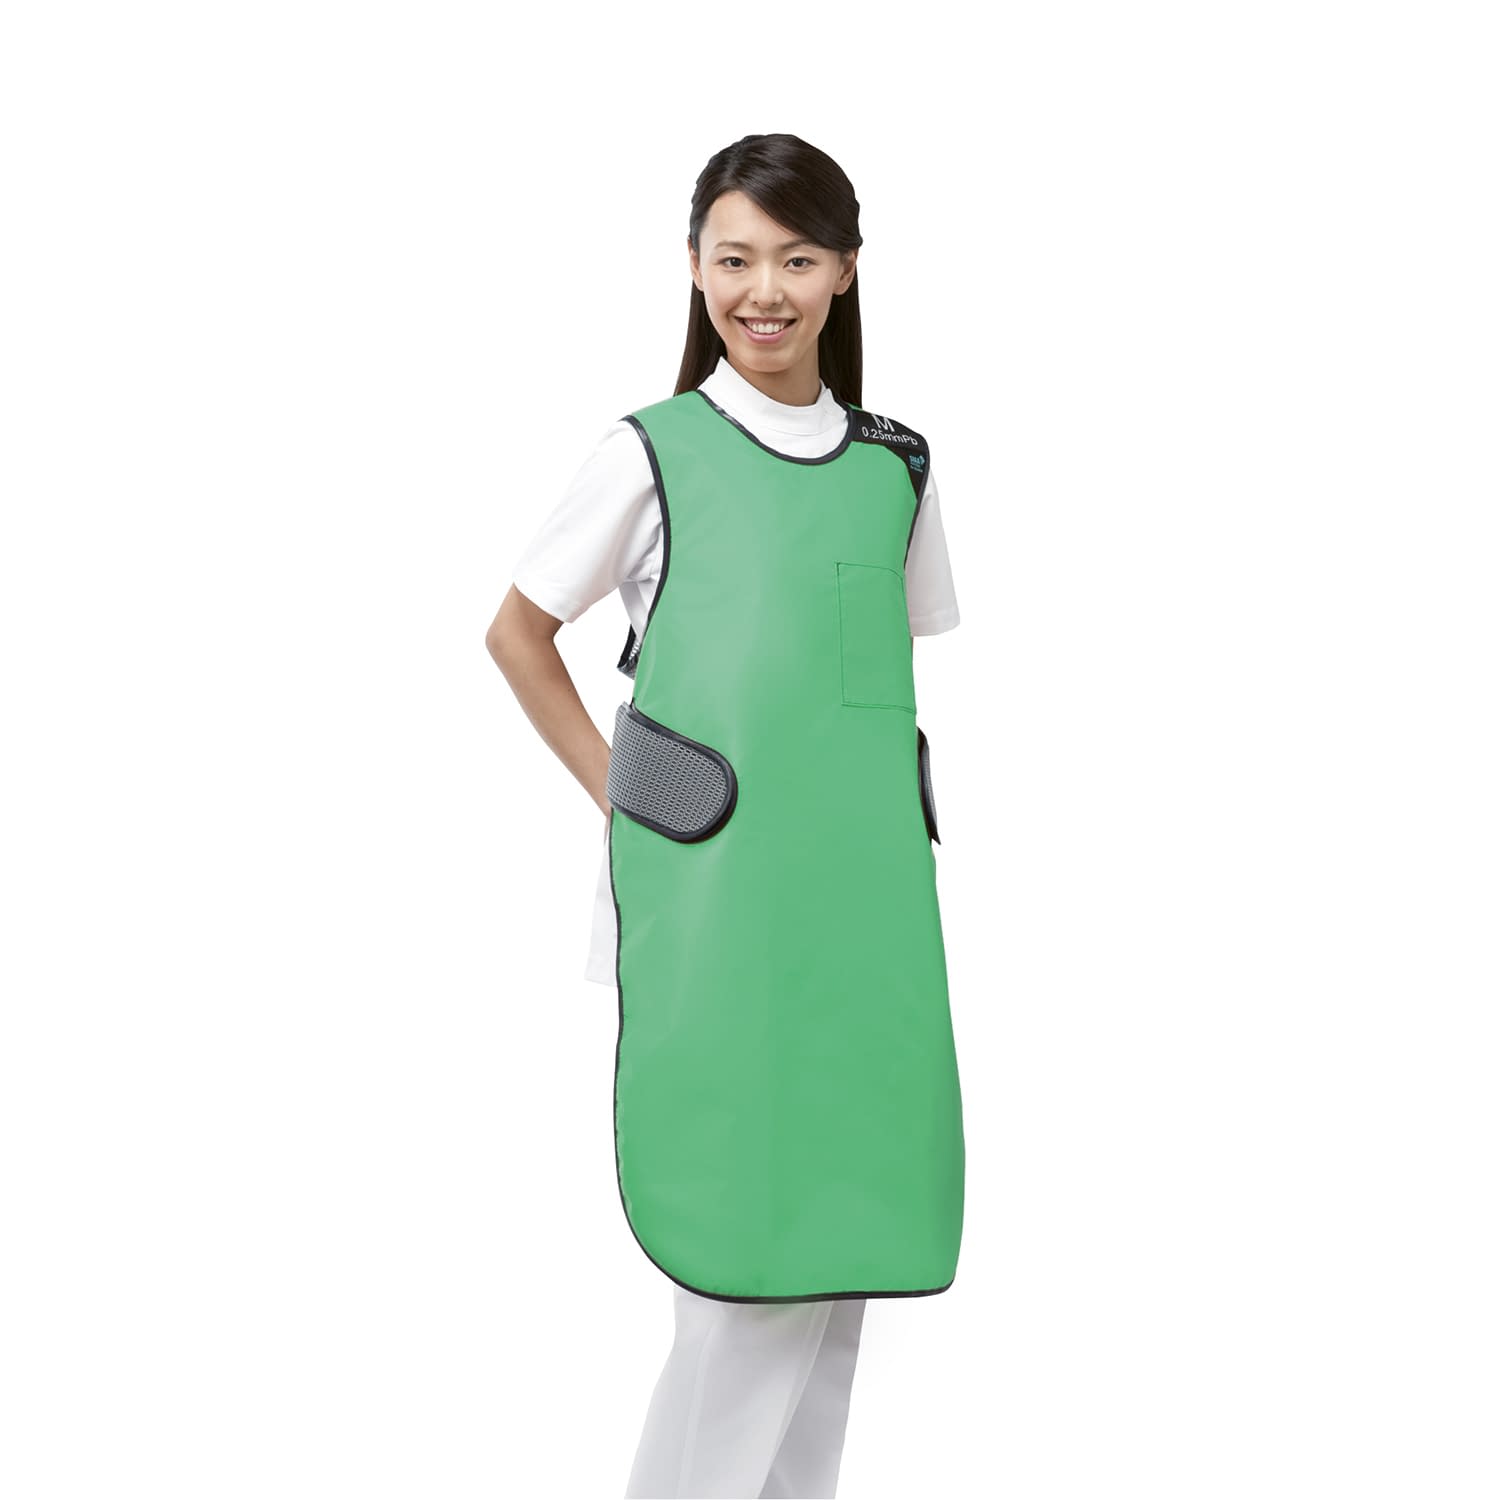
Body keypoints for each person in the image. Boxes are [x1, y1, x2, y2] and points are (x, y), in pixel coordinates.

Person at [486, 133, 964, 1499]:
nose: (765, 291)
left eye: (797, 260)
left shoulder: (898, 464)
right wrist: (625, 791)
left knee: (843, 1267)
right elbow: (518, 633)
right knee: (749, 1264)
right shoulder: (652, 453)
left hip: (866, 917)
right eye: (735, 259)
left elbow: (871, 682)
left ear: (846, 272)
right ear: (694, 269)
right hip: (721, 910)